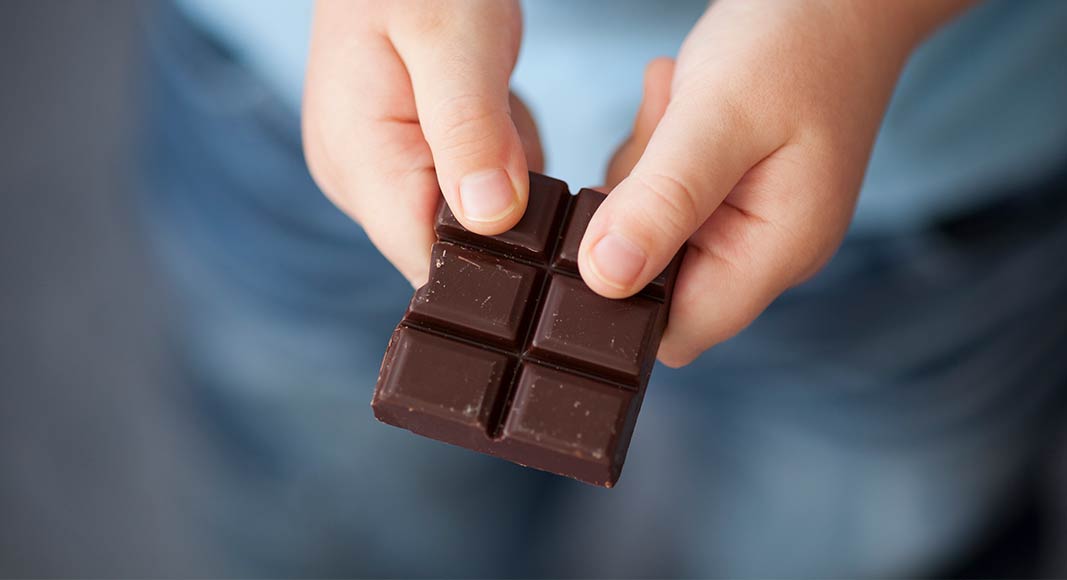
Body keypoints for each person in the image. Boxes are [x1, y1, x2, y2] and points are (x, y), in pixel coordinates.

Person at [142, 0, 1067, 576]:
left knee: (855, 538)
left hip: (921, 184)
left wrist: (859, 16)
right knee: (342, 510)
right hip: (307, 89)